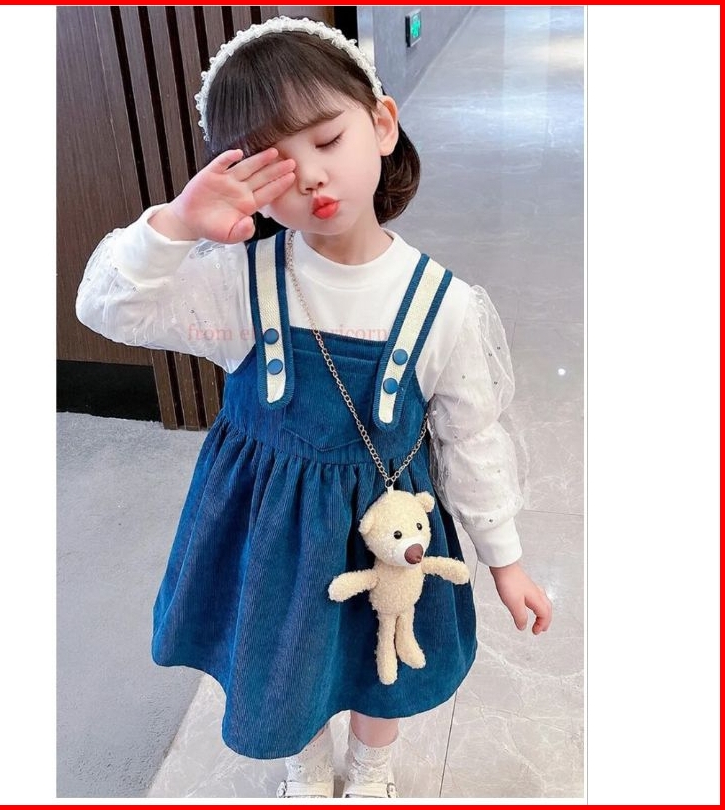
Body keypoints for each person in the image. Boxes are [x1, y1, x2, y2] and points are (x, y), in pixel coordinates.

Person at [76, 16, 552, 799]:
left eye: (327, 140)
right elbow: (107, 305)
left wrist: (505, 561)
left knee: (380, 655)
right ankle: (304, 765)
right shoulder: (237, 280)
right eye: (272, 164)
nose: (309, 177)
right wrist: (177, 224)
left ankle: (371, 766)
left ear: (382, 125)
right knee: (283, 660)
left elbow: (472, 439)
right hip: (270, 532)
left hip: (383, 533)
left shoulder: (446, 306)